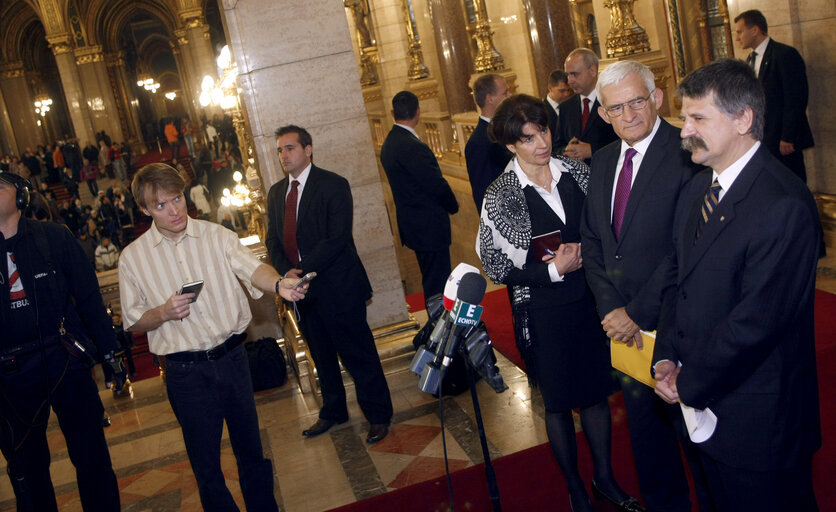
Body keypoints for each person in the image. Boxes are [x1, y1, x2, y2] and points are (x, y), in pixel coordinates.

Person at [652, 59, 821, 511]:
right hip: (699, 410)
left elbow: (755, 323)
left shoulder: (782, 204)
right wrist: (666, 355)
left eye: (698, 118)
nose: (684, 130)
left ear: (743, 119)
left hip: (758, 421)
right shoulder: (698, 188)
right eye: (684, 117)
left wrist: (689, 382)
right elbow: (678, 280)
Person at [476, 95, 642, 512]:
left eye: (544, 131)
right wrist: (551, 270)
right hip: (543, 309)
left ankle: (604, 479)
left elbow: (605, 226)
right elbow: (495, 265)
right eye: (529, 138)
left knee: (595, 392)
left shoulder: (577, 172)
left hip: (590, 300)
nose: (542, 143)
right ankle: (575, 490)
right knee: (559, 400)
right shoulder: (501, 195)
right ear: (511, 145)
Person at [119, 162, 307, 511]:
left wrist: (280, 283)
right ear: (145, 210)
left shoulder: (216, 235)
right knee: (206, 466)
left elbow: (253, 269)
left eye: (176, 199)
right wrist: (163, 312)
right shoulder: (133, 259)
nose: (173, 210)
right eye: (160, 205)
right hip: (185, 372)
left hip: (233, 359)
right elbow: (132, 321)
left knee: (251, 451)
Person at [580, 60, 704, 512]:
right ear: (604, 114)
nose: (629, 114)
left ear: (657, 98)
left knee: (696, 444)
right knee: (648, 444)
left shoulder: (687, 152)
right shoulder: (606, 157)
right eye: (616, 108)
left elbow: (685, 249)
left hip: (675, 325)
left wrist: (637, 313)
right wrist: (614, 312)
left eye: (637, 101)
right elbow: (594, 242)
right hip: (624, 335)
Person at [0, 171, 121, 511]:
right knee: (27, 469)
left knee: (92, 458)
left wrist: (110, 353)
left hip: (65, 359)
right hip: (10, 375)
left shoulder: (55, 238)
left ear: (22, 196)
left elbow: (89, 299)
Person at [265, 125, 393, 443]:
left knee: (358, 354)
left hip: (339, 288)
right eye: (280, 150)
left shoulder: (333, 184)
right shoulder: (276, 193)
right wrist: (286, 274)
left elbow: (337, 238)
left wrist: (300, 270)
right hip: (302, 293)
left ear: (308, 150)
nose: (284, 155)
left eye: (290, 148)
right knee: (321, 356)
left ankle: (378, 415)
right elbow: (273, 240)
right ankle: (333, 411)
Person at [380, 90, 459, 304]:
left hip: (414, 225)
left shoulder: (390, 143)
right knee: (438, 282)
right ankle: (441, 330)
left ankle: (438, 326)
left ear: (392, 113)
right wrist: (453, 205)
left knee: (432, 279)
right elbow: (435, 183)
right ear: (418, 112)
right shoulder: (412, 146)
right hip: (428, 226)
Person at [734, 9, 814, 182]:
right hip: (763, 137)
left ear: (755, 30)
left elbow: (795, 98)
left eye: (740, 32)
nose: (737, 38)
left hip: (782, 139)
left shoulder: (784, 54)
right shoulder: (750, 59)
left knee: (792, 181)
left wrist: (788, 136)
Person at [554, 48, 618, 162]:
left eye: (574, 74)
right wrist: (567, 150)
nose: (570, 81)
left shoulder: (612, 100)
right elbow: (556, 147)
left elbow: (625, 140)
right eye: (568, 75)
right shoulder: (566, 107)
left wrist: (593, 150)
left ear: (593, 70)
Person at [465, 73, 512, 213]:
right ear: (490, 99)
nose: (510, 95)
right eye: (505, 93)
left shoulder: (508, 128)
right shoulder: (478, 142)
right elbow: (483, 195)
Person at [545, 69, 575, 139]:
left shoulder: (573, 106)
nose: (567, 94)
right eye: (562, 91)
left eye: (569, 90)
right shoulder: (540, 109)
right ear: (550, 88)